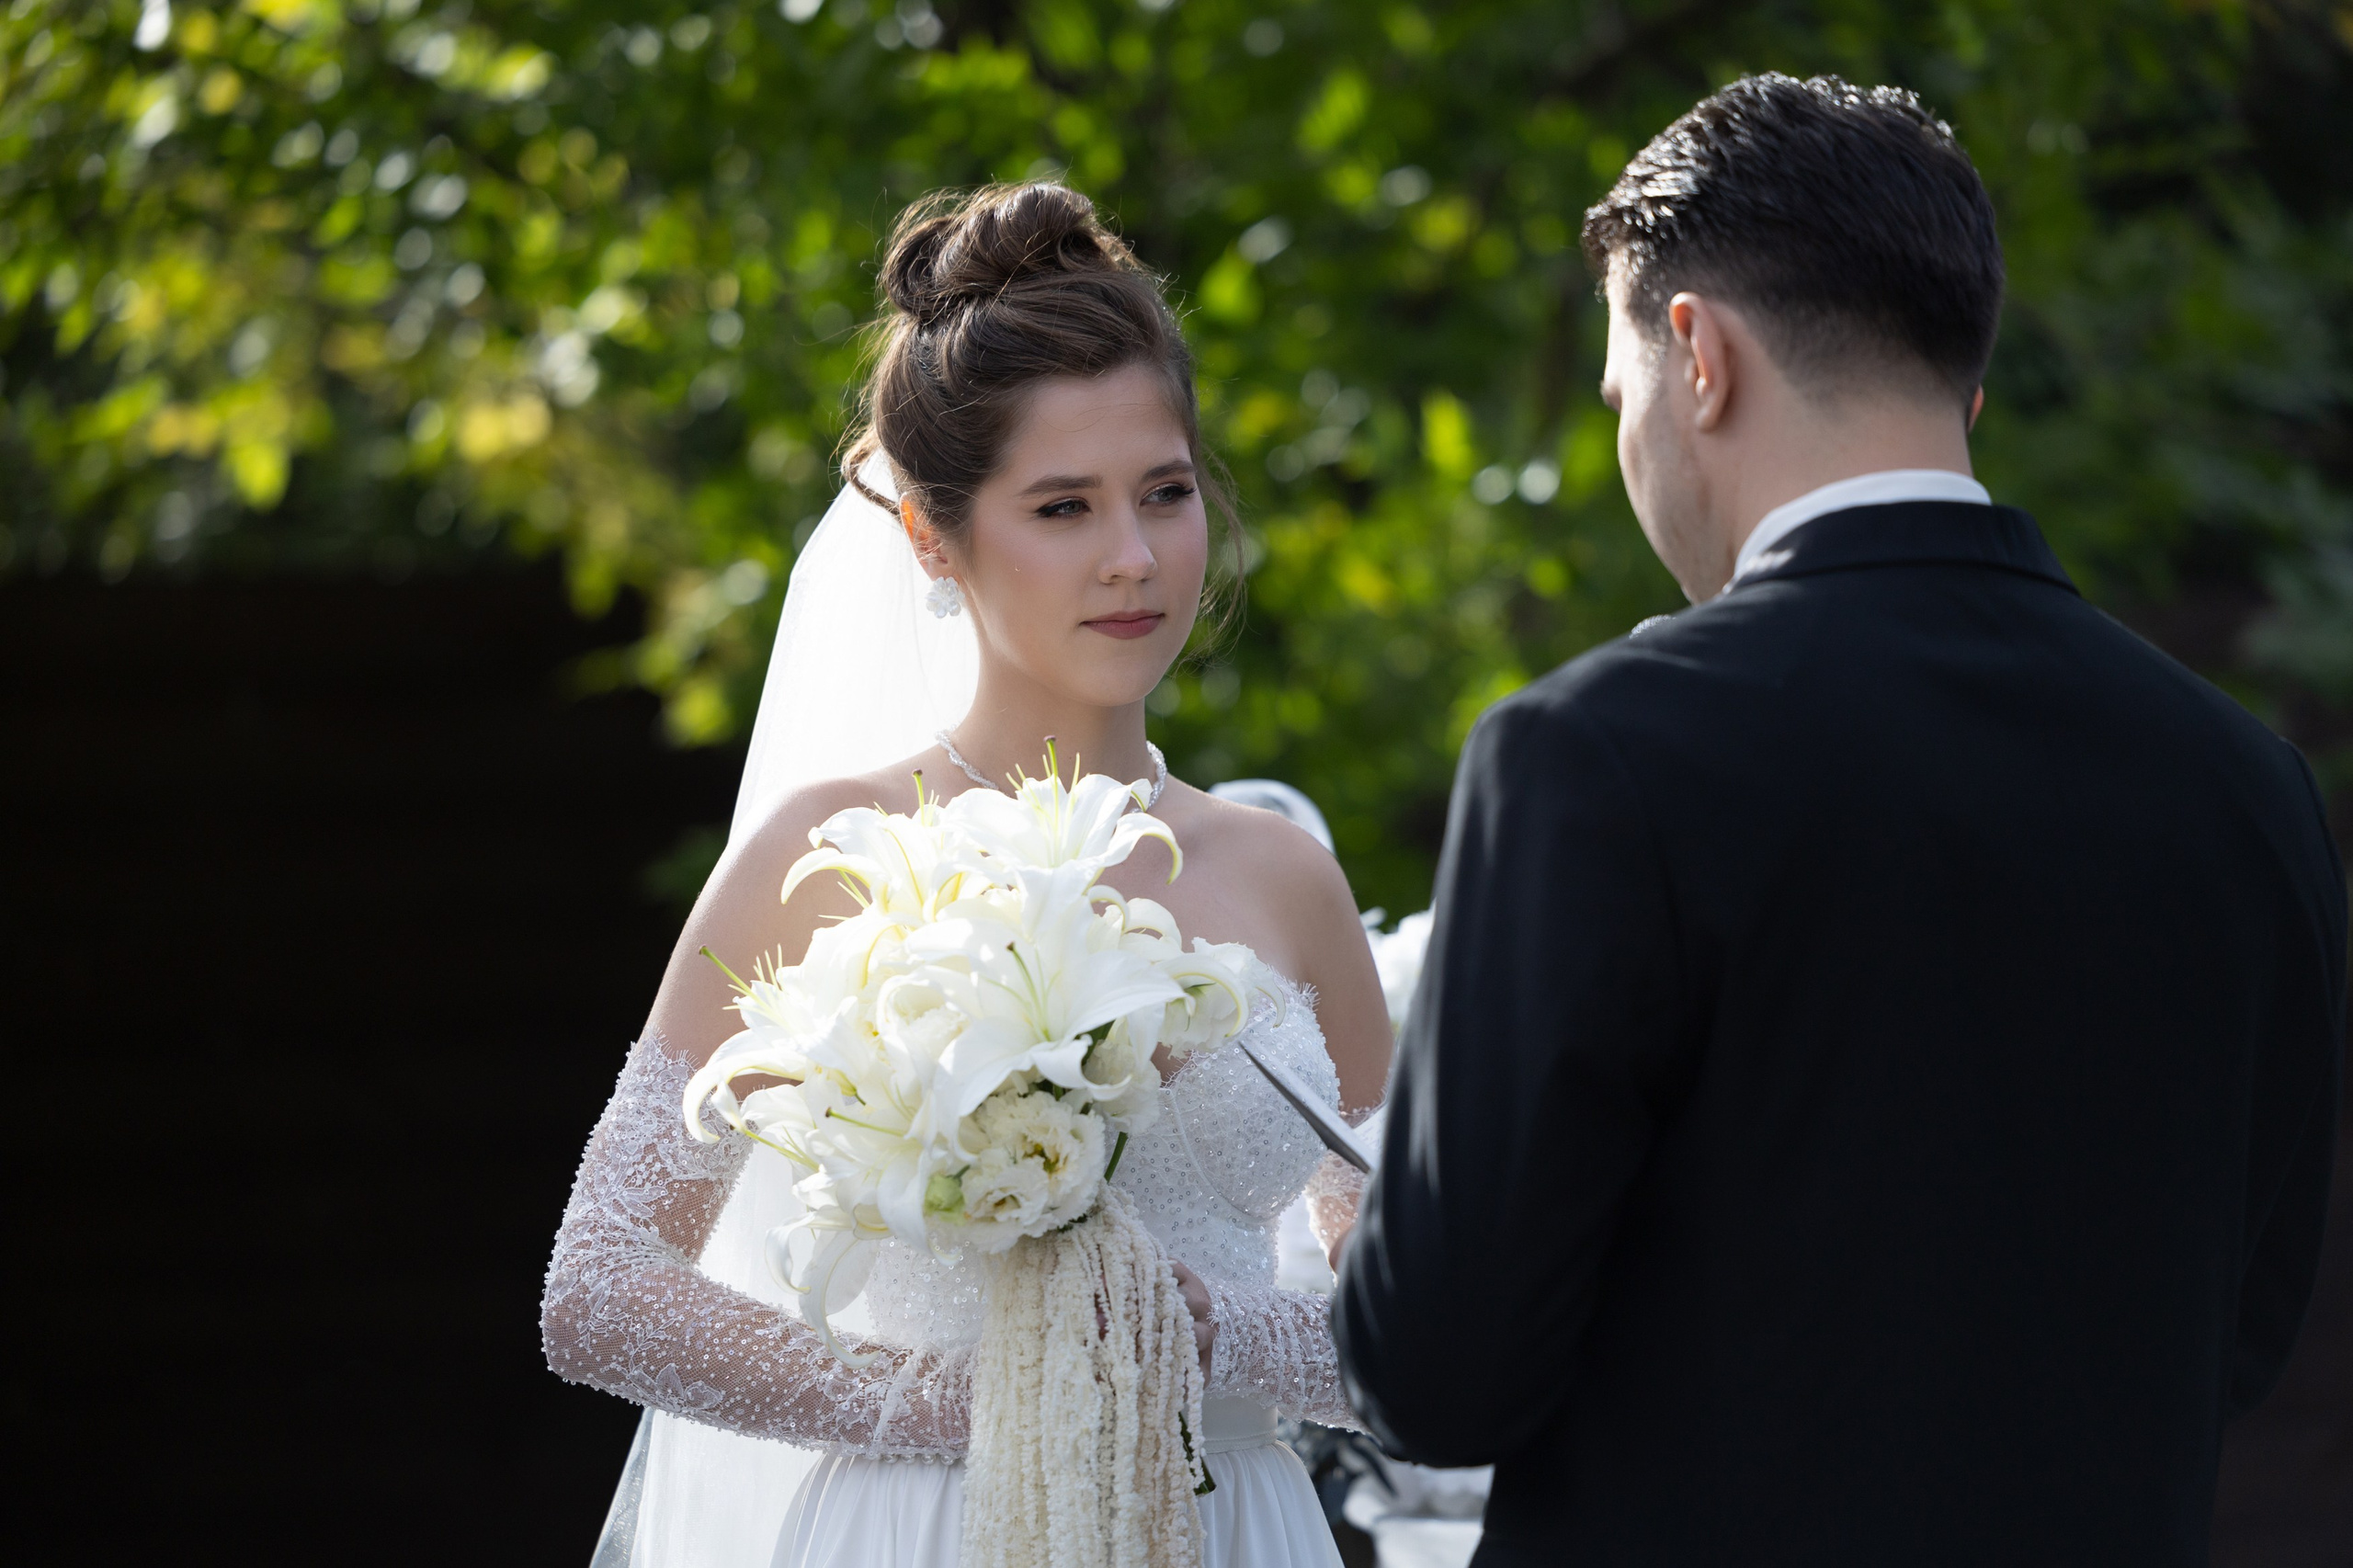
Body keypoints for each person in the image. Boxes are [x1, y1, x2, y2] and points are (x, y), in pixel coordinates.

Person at [1332, 74, 2346, 1565]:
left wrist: (1368, 1231)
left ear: (1697, 357)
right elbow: (2241, 1333)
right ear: (1963, 391)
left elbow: (1436, 1373)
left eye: (1617, 397)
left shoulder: (1592, 754)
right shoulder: (2248, 781)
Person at [541, 182, 1392, 1568]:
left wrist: (1228, 1338)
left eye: (1166, 493)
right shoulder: (823, 857)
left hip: (1231, 1522)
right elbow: (599, 1287)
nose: (1134, 558)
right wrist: (960, 1400)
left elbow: (1428, 1324)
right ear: (932, 536)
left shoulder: (1286, 877)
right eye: (1063, 507)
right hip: (922, 1523)